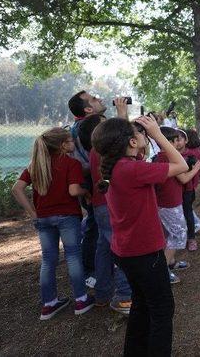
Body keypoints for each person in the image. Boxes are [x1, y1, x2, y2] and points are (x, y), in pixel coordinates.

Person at [92, 115, 188, 356]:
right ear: (132, 142)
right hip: (144, 253)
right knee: (162, 309)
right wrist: (157, 134)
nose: (144, 135)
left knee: (142, 304)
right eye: (140, 134)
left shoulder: (118, 166)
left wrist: (141, 143)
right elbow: (181, 166)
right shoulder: (133, 169)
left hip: (126, 251)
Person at [11, 127, 95, 320]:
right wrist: (86, 190)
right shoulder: (71, 163)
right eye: (71, 141)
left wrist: (33, 213)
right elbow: (74, 191)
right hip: (67, 216)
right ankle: (81, 300)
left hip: (43, 218)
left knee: (48, 259)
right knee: (73, 256)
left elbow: (17, 189)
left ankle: (49, 304)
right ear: (63, 145)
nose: (73, 143)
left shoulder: (36, 165)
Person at [82, 114, 132, 315]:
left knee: (103, 249)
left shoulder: (96, 150)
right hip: (107, 204)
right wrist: (123, 116)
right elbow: (123, 144)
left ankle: (102, 293)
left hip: (99, 204)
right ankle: (124, 295)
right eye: (105, 122)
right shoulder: (104, 149)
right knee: (119, 249)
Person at [68, 90, 113, 288]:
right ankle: (90, 272)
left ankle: (100, 275)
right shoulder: (83, 130)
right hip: (94, 188)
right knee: (96, 229)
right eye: (94, 99)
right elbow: (87, 162)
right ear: (87, 109)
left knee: (100, 233)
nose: (100, 99)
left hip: (95, 186)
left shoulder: (87, 127)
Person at [154, 127, 200, 283]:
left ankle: (171, 262)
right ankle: (163, 271)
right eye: (175, 141)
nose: (178, 144)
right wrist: (196, 169)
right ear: (170, 142)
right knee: (179, 235)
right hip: (169, 204)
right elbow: (184, 178)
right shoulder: (168, 158)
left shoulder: (160, 157)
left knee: (168, 235)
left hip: (166, 203)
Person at [181, 129, 200, 252]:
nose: (177, 142)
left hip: (188, 189)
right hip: (174, 191)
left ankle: (191, 238)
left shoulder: (192, 155)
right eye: (174, 140)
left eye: (180, 139)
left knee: (188, 212)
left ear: (186, 140)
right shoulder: (170, 155)